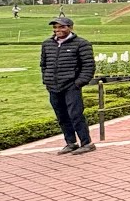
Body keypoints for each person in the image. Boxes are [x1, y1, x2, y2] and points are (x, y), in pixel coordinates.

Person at [40, 17, 97, 155]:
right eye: (55, 27)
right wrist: (46, 80)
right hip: (53, 86)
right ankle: (71, 143)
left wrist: (78, 83)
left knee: (75, 114)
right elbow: (43, 64)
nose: (57, 30)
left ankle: (86, 143)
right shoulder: (47, 44)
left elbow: (88, 66)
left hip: (71, 86)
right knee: (62, 116)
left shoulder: (81, 44)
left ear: (70, 27)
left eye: (61, 27)